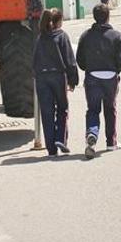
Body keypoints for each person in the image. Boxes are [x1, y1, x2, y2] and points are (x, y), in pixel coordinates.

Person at [76, 4, 121, 159]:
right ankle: (111, 142)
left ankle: (92, 135)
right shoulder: (116, 36)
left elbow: (80, 59)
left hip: (92, 76)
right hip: (110, 77)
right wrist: (115, 70)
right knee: (110, 109)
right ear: (108, 16)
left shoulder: (86, 36)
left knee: (92, 110)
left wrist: (88, 68)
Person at [32, 8, 79, 157]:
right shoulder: (61, 36)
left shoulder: (40, 38)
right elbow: (70, 60)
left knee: (47, 112)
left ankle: (51, 149)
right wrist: (73, 80)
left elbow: (33, 61)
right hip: (58, 77)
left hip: (42, 78)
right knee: (62, 108)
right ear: (59, 22)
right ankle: (60, 139)